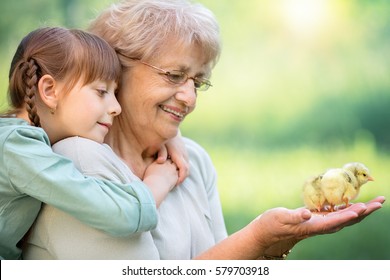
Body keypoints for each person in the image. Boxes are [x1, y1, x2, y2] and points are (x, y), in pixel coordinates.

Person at [23, 0, 385, 260]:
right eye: (174, 75)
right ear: (115, 69)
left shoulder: (191, 158)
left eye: (199, 82)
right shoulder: (77, 163)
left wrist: (274, 245)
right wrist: (259, 237)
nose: (190, 98)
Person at [0, 26, 188, 260]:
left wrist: (171, 135)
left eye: (115, 94)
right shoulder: (17, 150)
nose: (116, 108)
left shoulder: (15, 141)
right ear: (49, 90)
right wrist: (158, 181)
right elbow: (119, 215)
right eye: (101, 92)